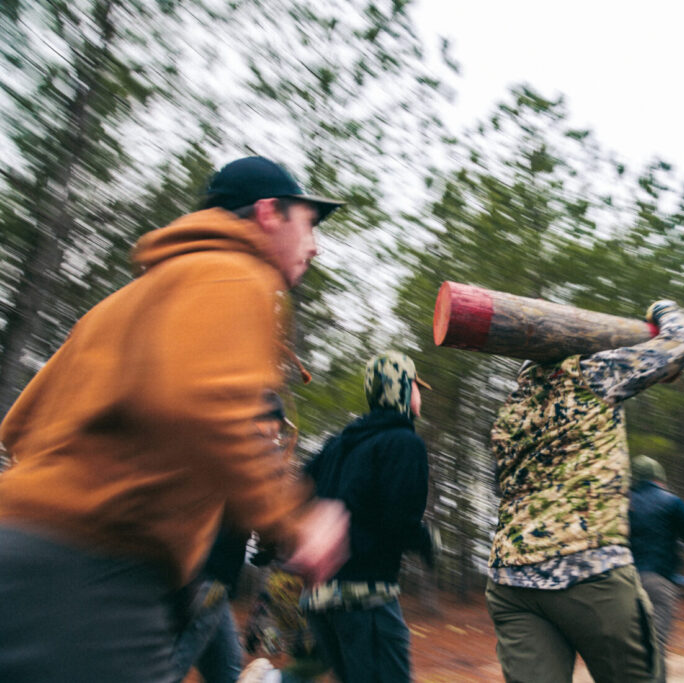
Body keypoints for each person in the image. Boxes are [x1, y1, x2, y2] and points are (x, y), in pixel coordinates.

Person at [0, 156, 351, 682]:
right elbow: (199, 406)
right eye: (309, 222)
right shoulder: (239, 275)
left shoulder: (126, 300)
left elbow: (18, 426)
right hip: (104, 576)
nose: (315, 244)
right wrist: (294, 521)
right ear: (268, 214)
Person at [486, 299, 684, 683]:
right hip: (588, 572)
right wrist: (663, 308)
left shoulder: (510, 411)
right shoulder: (593, 374)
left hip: (511, 581)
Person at [302, 351, 434, 683]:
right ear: (401, 387)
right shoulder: (404, 443)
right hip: (364, 598)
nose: (419, 395)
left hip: (318, 602)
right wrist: (426, 540)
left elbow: (296, 495)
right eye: (416, 386)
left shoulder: (336, 445)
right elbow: (399, 521)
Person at [173, 392, 294, 683]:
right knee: (171, 667)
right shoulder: (259, 453)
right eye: (276, 423)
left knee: (226, 670)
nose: (277, 431)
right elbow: (265, 511)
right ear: (263, 420)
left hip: (198, 576)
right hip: (209, 578)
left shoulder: (220, 446)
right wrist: (271, 545)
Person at [628, 454, 684, 653]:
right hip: (658, 579)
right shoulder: (672, 502)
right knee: (654, 646)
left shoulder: (622, 503)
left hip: (622, 582)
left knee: (629, 647)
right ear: (659, 478)